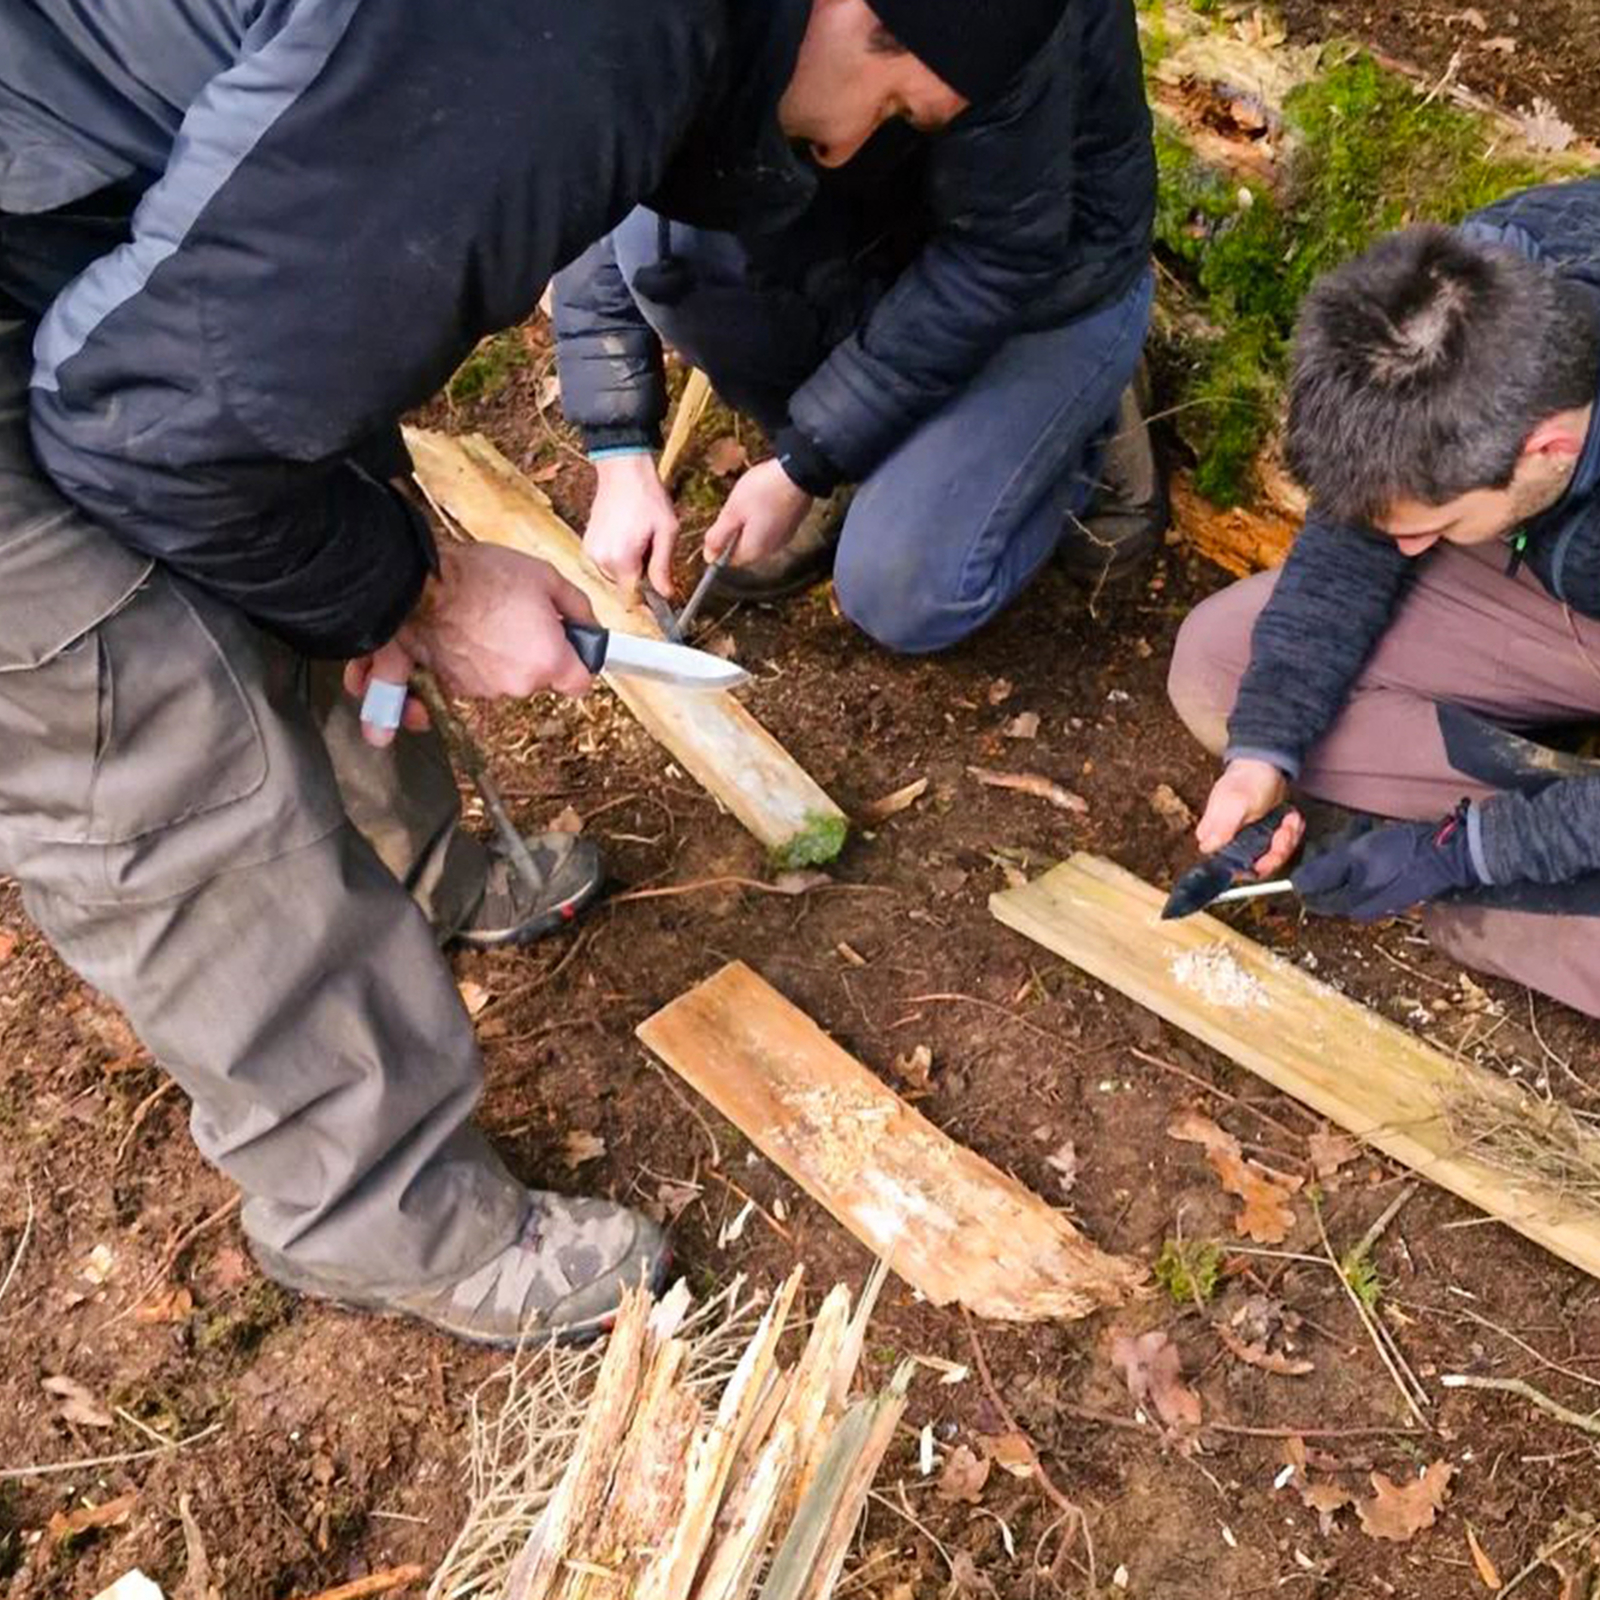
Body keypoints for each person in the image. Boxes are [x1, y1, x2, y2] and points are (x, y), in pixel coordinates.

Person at [0, 0, 1069, 1346]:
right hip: (55, 249)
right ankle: (375, 1216)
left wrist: (366, 565)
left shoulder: (628, 43)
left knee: (289, 487)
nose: (858, 150)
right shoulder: (585, 35)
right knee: (156, 735)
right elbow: (148, 435)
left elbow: (268, 354)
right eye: (900, 104)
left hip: (89, 195)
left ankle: (420, 879)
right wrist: (430, 590)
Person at [555, 0, 1163, 655]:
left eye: (898, 110)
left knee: (903, 593)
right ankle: (865, 454)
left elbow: (999, 255)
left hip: (1049, 284)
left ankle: (1084, 422)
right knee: (661, 248)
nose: (839, 149)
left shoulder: (1001, 32)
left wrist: (800, 464)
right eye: (892, 101)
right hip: (889, 237)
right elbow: (622, 163)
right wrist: (619, 454)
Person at [1168, 178, 1600, 1020]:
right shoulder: (1467, 290)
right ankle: (1565, 797)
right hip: (1560, 584)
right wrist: (1265, 753)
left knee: (1492, 917)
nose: (1399, 546)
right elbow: (1362, 524)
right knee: (1223, 667)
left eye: (1430, 524)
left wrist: (1463, 848)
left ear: (1548, 447)